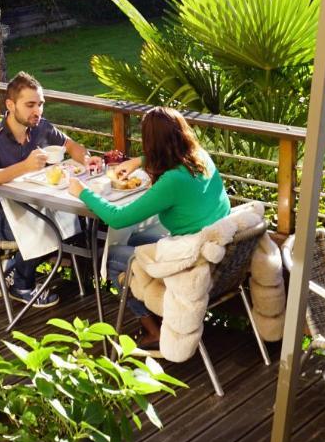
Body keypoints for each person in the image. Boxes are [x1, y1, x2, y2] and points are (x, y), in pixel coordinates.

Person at [66, 106, 231, 347]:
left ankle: (153, 330)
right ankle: (156, 317)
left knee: (111, 256)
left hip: (191, 267)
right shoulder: (200, 158)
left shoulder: (172, 181)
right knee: (133, 241)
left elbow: (118, 218)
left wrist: (83, 193)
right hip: (216, 259)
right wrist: (138, 162)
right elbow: (170, 156)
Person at [0, 71, 100, 308]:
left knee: (77, 223)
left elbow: (71, 145)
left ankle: (15, 270)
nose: (37, 111)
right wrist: (25, 166)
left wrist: (87, 159)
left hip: (30, 204)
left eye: (40, 104)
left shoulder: (40, 127)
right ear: (11, 105)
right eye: (30, 104)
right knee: (50, 229)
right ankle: (20, 284)